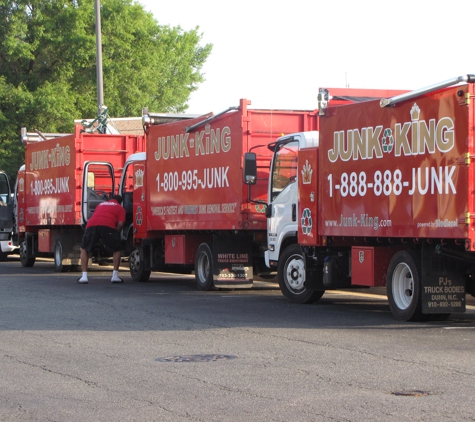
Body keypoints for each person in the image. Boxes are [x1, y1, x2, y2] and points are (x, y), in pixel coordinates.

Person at [77, 194, 126, 284]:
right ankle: (115, 276)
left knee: (83, 248)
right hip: (108, 226)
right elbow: (120, 224)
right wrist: (115, 234)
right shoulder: (120, 208)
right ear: (120, 202)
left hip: (91, 225)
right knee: (117, 249)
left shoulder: (101, 204)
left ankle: (84, 277)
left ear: (111, 199)